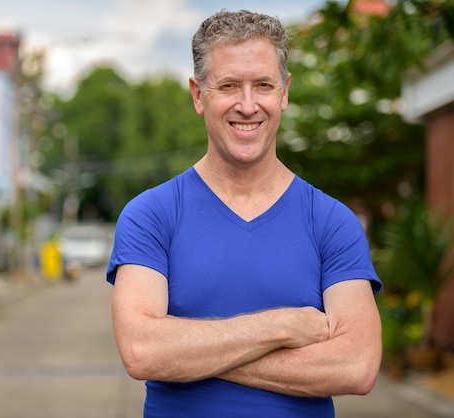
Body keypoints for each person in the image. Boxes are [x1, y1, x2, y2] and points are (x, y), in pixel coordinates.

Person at [106, 9, 382, 418]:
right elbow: (143, 351)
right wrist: (286, 327)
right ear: (199, 95)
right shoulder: (151, 215)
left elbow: (356, 366)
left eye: (263, 85)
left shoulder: (331, 222)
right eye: (229, 85)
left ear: (284, 92)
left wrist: (192, 355)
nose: (248, 105)